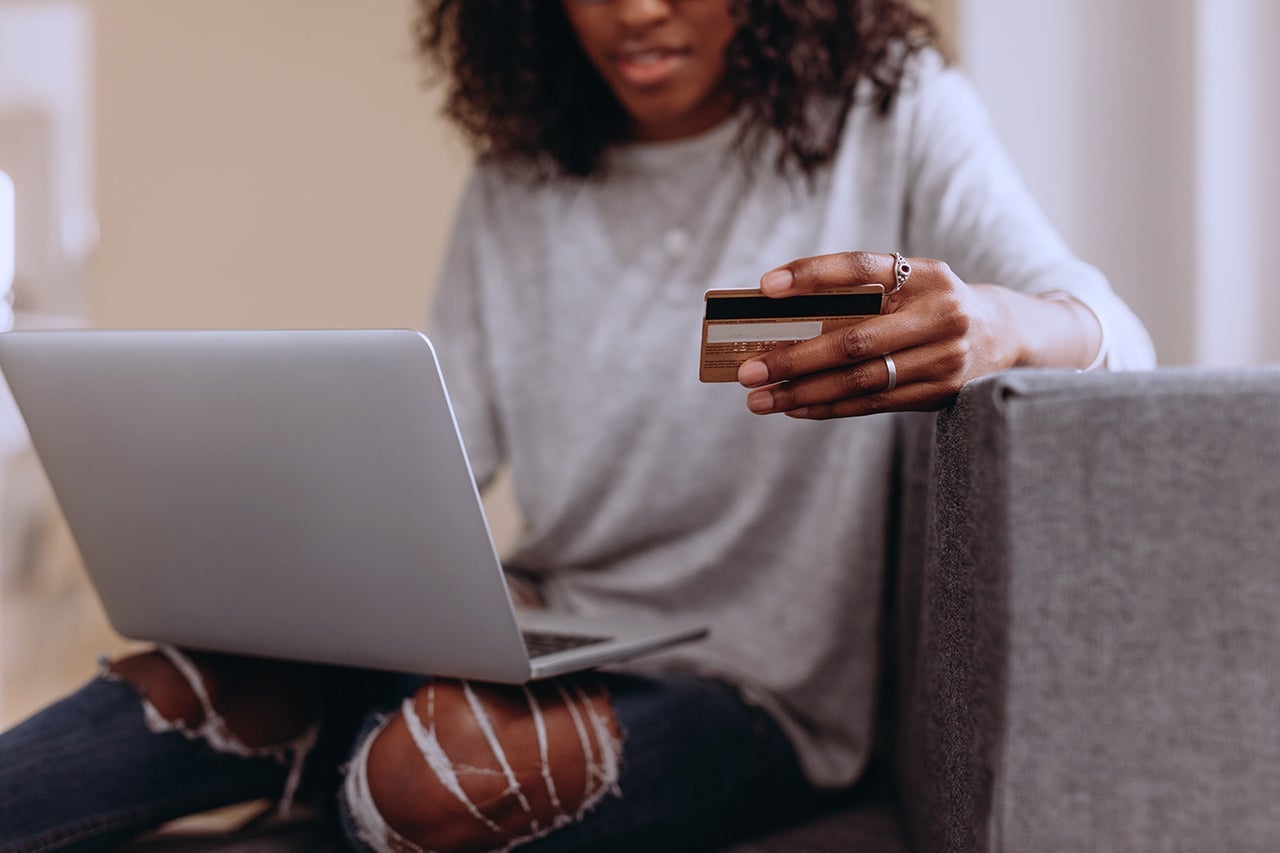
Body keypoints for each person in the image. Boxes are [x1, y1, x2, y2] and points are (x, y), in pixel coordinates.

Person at [0, 1, 1156, 851]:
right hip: (536, 628)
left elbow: (1115, 332)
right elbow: (432, 447)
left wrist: (996, 322)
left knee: (426, 781)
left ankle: (325, 759)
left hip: (747, 687)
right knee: (162, 693)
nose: (632, 13)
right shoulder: (522, 176)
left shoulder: (890, 121)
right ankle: (317, 736)